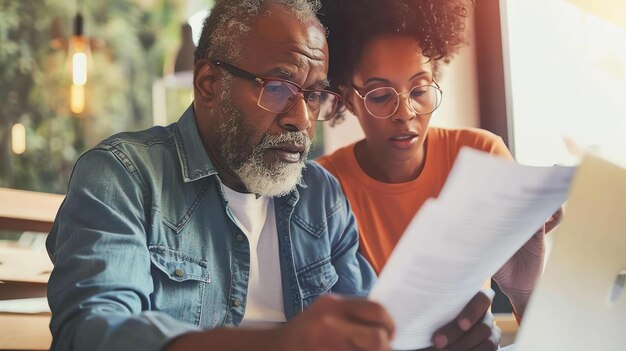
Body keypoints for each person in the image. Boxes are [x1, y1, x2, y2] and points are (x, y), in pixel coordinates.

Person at [46, 0, 498, 350]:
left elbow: (374, 332)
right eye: (278, 88)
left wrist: (442, 338)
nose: (300, 118)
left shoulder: (322, 196)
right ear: (208, 85)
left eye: (315, 94)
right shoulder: (123, 177)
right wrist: (278, 343)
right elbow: (91, 333)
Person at [316, 0, 561, 324]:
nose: (405, 113)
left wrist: (525, 293)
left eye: (419, 90)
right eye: (380, 96)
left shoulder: (481, 156)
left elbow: (540, 331)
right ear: (349, 99)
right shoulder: (323, 187)